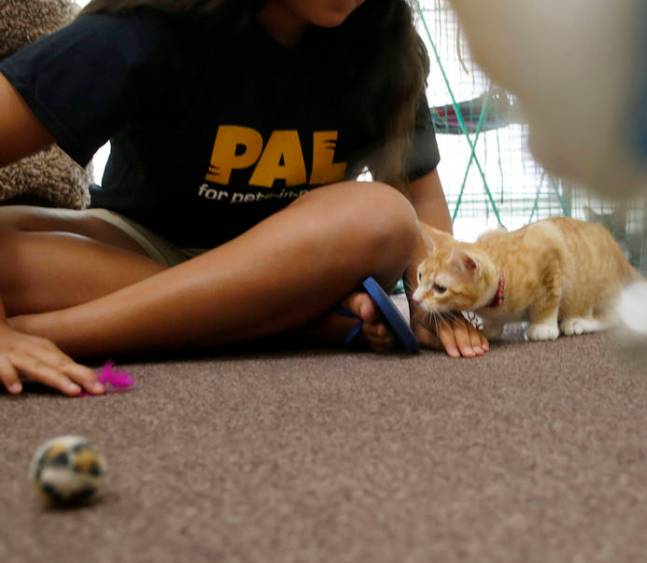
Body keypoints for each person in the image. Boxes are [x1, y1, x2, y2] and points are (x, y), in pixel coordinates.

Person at [0, 0, 490, 397]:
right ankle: (298, 325)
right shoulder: (143, 31)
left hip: (304, 264)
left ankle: (52, 334)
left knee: (384, 215)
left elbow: (421, 206)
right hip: (139, 246)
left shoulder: (384, 44)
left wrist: (438, 305)